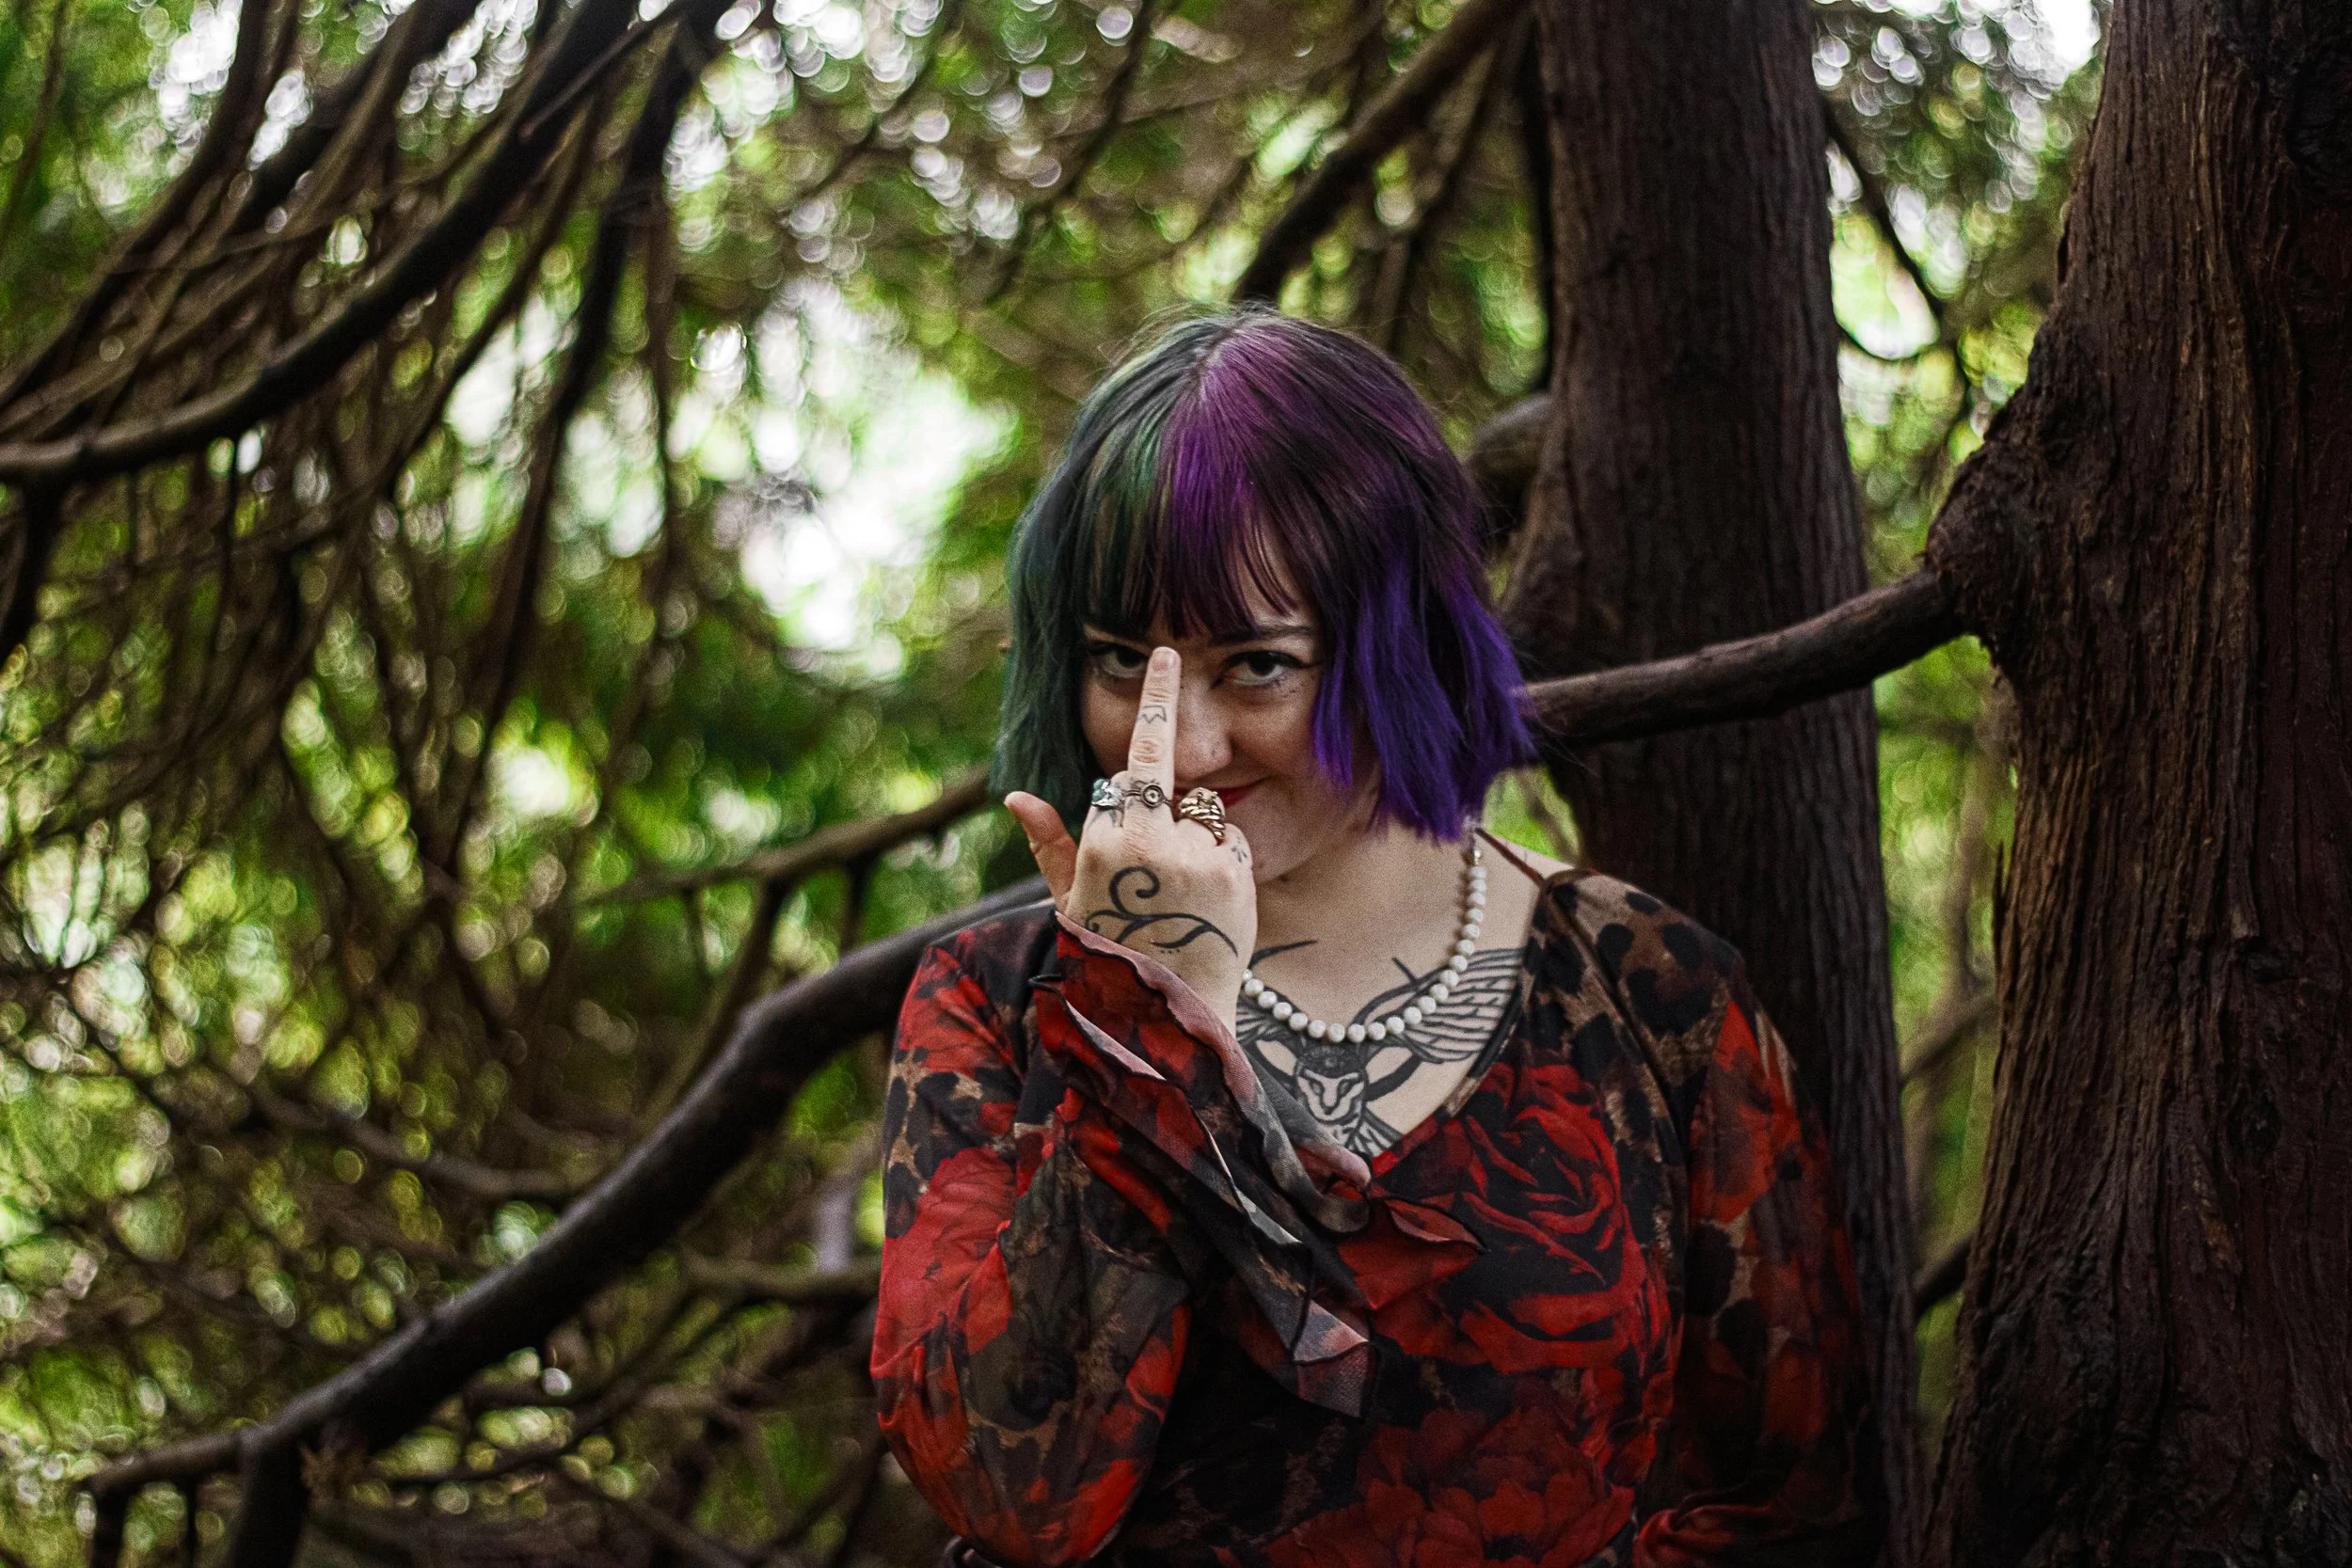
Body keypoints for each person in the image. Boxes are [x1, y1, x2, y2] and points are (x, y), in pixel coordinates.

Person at [869, 309, 1877, 1568]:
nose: (1176, 749)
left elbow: (1796, 1506)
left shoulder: (1654, 998)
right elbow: (1003, 1492)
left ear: (1396, 647)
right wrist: (1147, 1020)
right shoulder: (992, 1002)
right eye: (1125, 661)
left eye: (1257, 666)